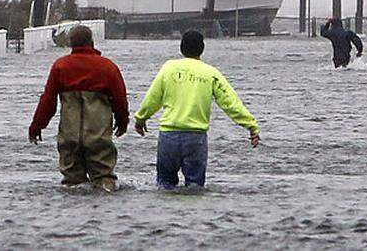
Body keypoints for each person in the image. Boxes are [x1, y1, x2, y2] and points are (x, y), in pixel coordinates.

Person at [134, 30, 259, 190]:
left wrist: (140, 119)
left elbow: (152, 98)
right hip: (196, 138)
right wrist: (251, 126)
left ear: (181, 48)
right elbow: (231, 103)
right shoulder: (211, 73)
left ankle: (165, 214)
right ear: (202, 48)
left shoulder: (169, 68)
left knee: (164, 186)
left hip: (169, 136)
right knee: (195, 188)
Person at [28, 25, 129, 192]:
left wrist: (37, 126)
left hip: (69, 137)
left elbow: (48, 101)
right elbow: (120, 99)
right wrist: (122, 121)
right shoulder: (108, 67)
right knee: (105, 180)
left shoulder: (60, 66)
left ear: (71, 43)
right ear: (92, 42)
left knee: (72, 184)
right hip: (98, 137)